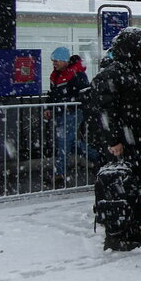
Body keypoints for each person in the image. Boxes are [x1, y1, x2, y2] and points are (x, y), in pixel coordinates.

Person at [87, 27, 141, 250]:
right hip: (125, 143)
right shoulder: (112, 74)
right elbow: (104, 111)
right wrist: (113, 140)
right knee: (121, 187)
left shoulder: (138, 70)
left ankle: (134, 229)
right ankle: (118, 234)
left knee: (139, 186)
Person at [44, 46, 90, 185]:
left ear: (65, 60)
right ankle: (98, 156)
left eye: (57, 60)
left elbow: (83, 94)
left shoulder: (76, 74)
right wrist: (48, 107)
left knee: (63, 142)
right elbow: (53, 94)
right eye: (53, 61)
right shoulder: (57, 75)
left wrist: (66, 103)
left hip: (72, 112)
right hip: (63, 112)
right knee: (68, 142)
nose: (54, 63)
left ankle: (60, 173)